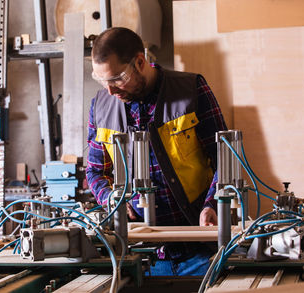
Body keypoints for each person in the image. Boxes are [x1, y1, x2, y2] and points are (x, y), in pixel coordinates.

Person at [85, 27, 227, 276]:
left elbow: (224, 159)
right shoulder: (101, 106)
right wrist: (110, 198)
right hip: (138, 255)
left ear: (140, 61)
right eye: (102, 81)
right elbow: (96, 172)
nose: (110, 91)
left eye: (117, 78)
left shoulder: (190, 90)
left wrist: (212, 204)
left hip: (199, 250)